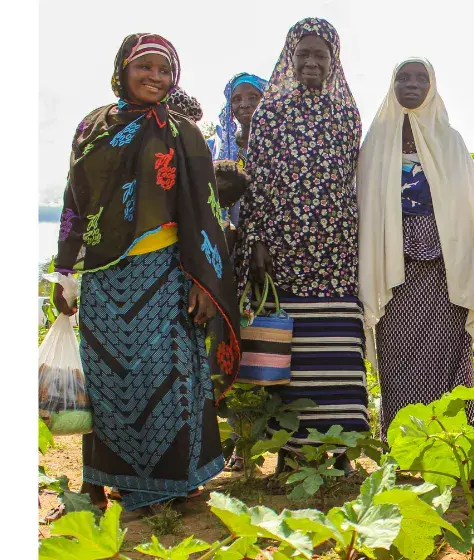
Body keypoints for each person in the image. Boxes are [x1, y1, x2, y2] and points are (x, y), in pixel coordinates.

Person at [51, 33, 240, 513]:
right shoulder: (92, 128)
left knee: (167, 378)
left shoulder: (182, 133)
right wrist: (66, 272)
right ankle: (107, 479)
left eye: (165, 70)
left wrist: (202, 281)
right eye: (145, 67)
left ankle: (173, 485)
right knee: (106, 381)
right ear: (123, 69)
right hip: (103, 276)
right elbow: (75, 204)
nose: (155, 77)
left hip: (165, 273)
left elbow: (203, 209)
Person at [234, 18, 369, 469]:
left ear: (334, 62)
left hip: (335, 249)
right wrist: (256, 242)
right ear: (290, 60)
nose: (312, 62)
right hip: (284, 251)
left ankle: (344, 448)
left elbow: (355, 182)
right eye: (303, 55)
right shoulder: (271, 113)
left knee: (339, 349)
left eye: (320, 55)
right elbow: (256, 185)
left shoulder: (347, 113)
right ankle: (290, 451)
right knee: (290, 352)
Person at [357, 58, 474, 441]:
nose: (411, 85)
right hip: (392, 266)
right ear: (391, 84)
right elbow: (364, 206)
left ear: (432, 86)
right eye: (402, 77)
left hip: (446, 271)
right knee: (397, 357)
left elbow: (466, 210)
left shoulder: (452, 142)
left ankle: (453, 440)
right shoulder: (376, 141)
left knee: (447, 353)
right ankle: (403, 442)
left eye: (420, 78)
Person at [209, 72, 268, 230]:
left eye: (253, 97)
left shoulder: (277, 147)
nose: (244, 104)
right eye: (236, 99)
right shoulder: (218, 145)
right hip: (229, 234)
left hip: (270, 231)